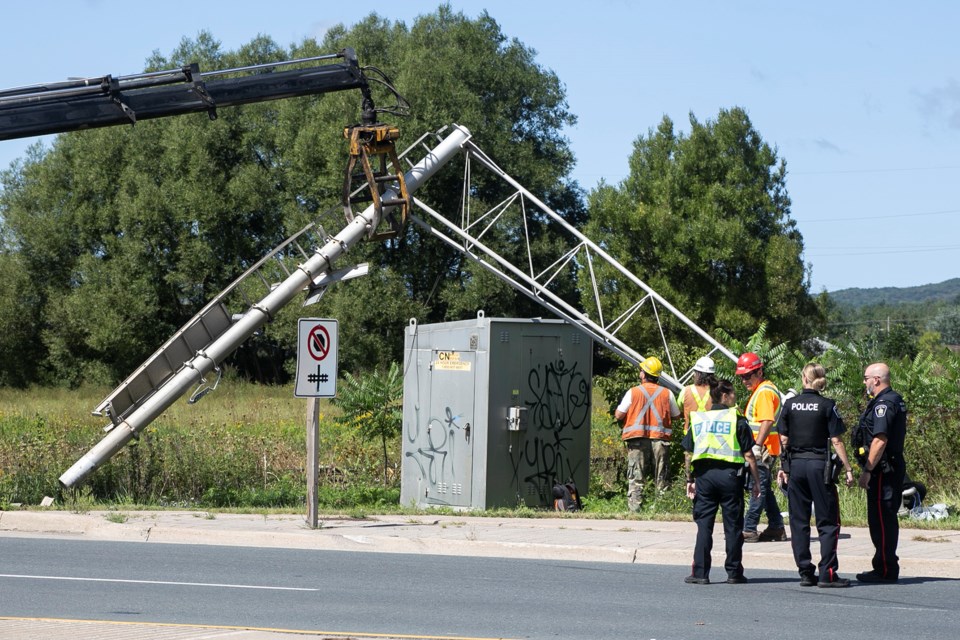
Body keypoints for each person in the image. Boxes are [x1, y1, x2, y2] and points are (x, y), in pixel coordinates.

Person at [777, 363, 855, 588]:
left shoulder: (790, 405)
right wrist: (848, 468)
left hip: (796, 466)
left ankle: (805, 572)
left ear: (804, 379)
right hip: (820, 467)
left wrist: (784, 467)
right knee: (828, 521)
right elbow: (837, 440)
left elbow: (783, 440)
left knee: (799, 521)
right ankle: (827, 573)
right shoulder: (827, 405)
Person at [682, 379, 761, 584]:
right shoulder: (736, 418)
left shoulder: (699, 419)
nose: (735, 397)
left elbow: (688, 453)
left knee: (704, 526)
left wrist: (690, 479)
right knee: (733, 526)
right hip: (729, 478)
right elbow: (749, 455)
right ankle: (734, 572)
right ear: (724, 396)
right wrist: (757, 482)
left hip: (705, 478)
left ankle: (700, 573)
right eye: (733, 394)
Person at [853, 362, 907, 583]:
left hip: (883, 470)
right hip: (888, 467)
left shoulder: (883, 404)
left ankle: (885, 568)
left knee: (882, 519)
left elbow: (880, 439)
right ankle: (883, 565)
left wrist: (867, 469)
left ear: (876, 379)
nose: (864, 382)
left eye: (866, 378)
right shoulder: (893, 399)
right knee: (882, 518)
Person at [615, 356, 681, 511]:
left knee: (636, 476)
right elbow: (676, 415)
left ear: (644, 374)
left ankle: (635, 510)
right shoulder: (667, 393)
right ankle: (661, 509)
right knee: (661, 477)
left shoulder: (633, 392)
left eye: (641, 370)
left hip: (637, 439)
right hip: (660, 440)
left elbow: (618, 415)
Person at [736, 351, 787, 542]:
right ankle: (776, 527)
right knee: (763, 487)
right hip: (763, 448)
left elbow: (766, 421)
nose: (744, 381)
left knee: (757, 487)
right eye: (742, 377)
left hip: (763, 449)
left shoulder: (765, 392)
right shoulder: (762, 390)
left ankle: (749, 529)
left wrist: (756, 447)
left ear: (759, 372)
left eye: (748, 376)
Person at [677, 356, 717, 434]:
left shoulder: (686, 390)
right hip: (712, 435)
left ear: (697, 374)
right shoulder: (718, 391)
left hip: (690, 436)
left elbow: (679, 410)